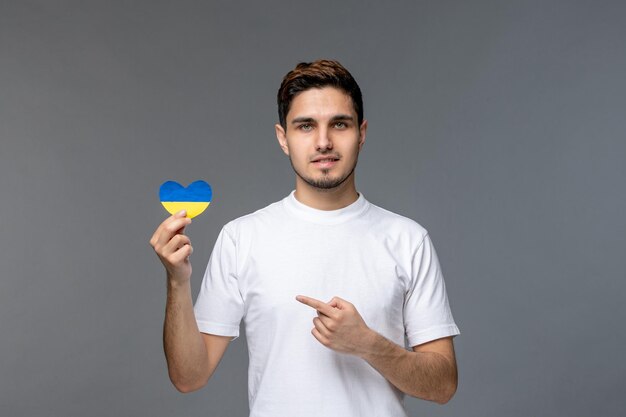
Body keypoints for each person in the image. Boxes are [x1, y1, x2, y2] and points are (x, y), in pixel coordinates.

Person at [150, 59, 460, 416]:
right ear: (284, 138)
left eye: (339, 124)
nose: (324, 141)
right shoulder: (242, 237)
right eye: (306, 126)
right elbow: (189, 377)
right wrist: (177, 281)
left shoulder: (408, 240)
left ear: (362, 132)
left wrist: (369, 344)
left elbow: (443, 385)